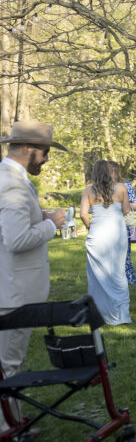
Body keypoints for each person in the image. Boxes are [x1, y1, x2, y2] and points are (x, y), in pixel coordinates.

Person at [0, 121, 68, 423]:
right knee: (8, 365)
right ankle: (7, 435)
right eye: (45, 152)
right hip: (13, 293)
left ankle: (12, 425)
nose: (47, 159)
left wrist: (40, 216)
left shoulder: (11, 177)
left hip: (11, 287)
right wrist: (52, 224)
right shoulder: (12, 184)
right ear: (28, 149)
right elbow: (16, 240)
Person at [80, 160, 132, 324]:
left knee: (97, 276)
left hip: (97, 235)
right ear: (110, 172)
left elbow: (83, 214)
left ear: (94, 173)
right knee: (118, 273)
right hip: (117, 234)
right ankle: (121, 314)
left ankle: (99, 313)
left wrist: (90, 227)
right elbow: (126, 211)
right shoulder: (122, 188)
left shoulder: (88, 191)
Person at [111, 162, 136, 287]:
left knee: (125, 256)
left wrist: (120, 207)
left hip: (125, 224)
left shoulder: (126, 185)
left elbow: (135, 205)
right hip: (109, 225)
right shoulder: (103, 187)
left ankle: (127, 280)